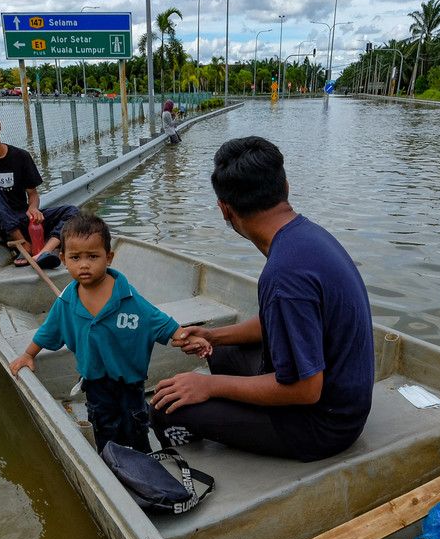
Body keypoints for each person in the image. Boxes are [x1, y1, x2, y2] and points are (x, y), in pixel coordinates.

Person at [150, 136, 375, 462]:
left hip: (325, 425)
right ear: (285, 186)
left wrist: (209, 388)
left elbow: (306, 389)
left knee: (165, 408)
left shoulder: (283, 277)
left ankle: (189, 460)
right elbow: (278, 322)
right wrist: (213, 335)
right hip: (342, 399)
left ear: (224, 209)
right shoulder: (306, 236)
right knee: (220, 352)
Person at [10, 213, 210, 454]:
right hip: (95, 382)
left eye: (93, 256)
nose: (84, 265)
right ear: (63, 259)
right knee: (104, 426)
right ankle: (113, 462)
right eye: (75, 257)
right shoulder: (67, 301)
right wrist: (28, 354)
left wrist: (187, 338)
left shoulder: (128, 297)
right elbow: (48, 330)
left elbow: (159, 322)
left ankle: (144, 460)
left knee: (135, 423)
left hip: (130, 382)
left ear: (109, 258)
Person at [0, 100, 79, 269]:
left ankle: (44, 251)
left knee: (72, 211)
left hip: (20, 216)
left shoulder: (21, 156)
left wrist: (33, 208)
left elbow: (32, 194)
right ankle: (23, 243)